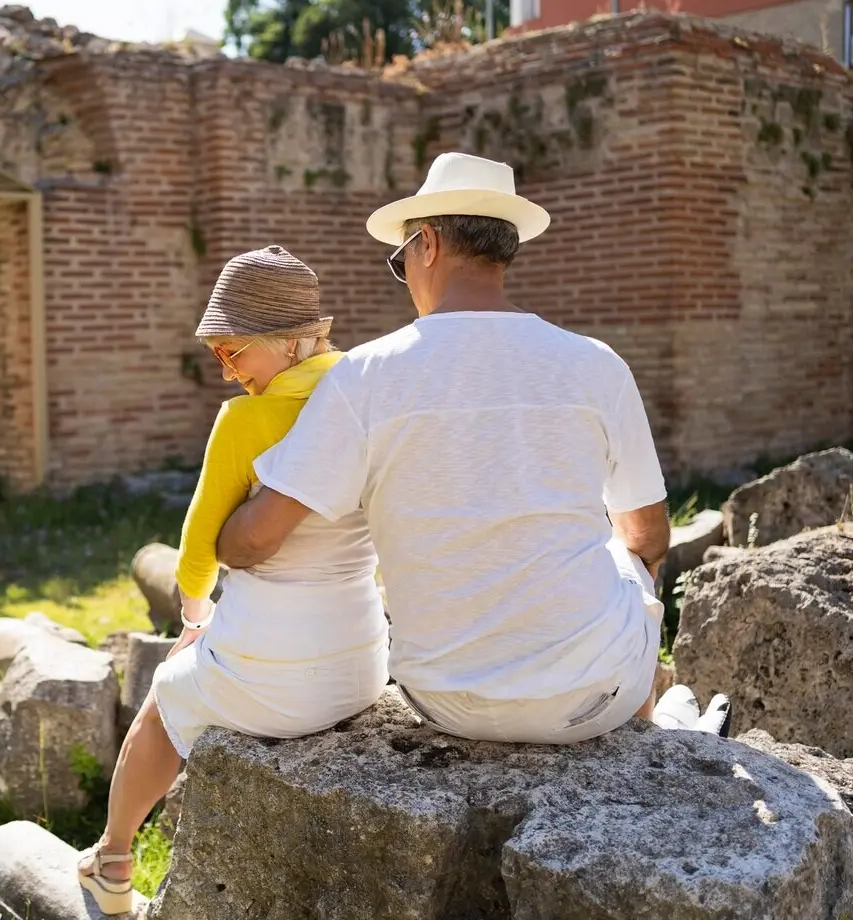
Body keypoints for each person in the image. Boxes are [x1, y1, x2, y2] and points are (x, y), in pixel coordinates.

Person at [216, 152, 730, 746]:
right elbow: (648, 539)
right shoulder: (596, 364)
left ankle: (661, 727)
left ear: (427, 243)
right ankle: (660, 734)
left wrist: (214, 535)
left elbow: (253, 542)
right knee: (625, 559)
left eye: (400, 257)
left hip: (440, 702)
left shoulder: (362, 375)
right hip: (589, 700)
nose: (404, 272)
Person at [77, 246, 389, 916]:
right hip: (363, 668)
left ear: (294, 341)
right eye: (217, 351)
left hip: (274, 672)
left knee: (164, 697)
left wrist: (193, 620)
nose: (226, 368)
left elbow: (197, 552)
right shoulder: (370, 395)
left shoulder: (245, 421)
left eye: (235, 349)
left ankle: (112, 860)